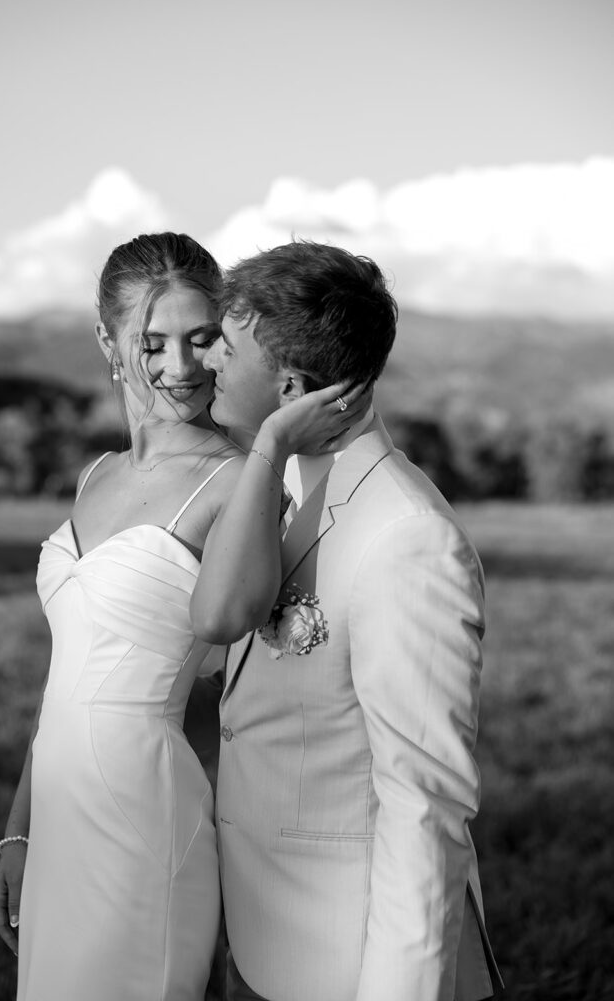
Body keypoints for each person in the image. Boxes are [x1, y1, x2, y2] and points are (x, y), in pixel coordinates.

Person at [0, 232, 361, 1001]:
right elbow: (71, 681)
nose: (180, 368)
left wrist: (268, 449)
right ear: (107, 341)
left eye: (201, 340)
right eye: (151, 343)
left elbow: (227, 619)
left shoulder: (237, 480)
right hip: (59, 806)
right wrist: (20, 830)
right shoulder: (98, 474)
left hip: (140, 811)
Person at [188, 241, 503, 1001]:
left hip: (355, 963)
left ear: (291, 387)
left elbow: (422, 804)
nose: (207, 367)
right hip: (272, 939)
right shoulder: (282, 490)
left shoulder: (408, 539)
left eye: (226, 350)